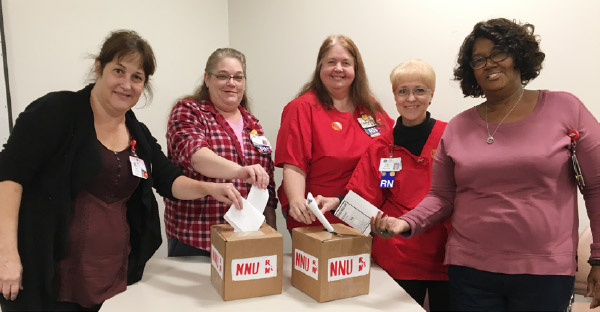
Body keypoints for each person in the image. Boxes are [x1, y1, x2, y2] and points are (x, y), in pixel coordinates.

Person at [0, 30, 243, 311]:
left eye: (137, 77)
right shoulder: (56, 111)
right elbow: (9, 176)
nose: (126, 84)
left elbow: (168, 180)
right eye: (119, 70)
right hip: (47, 274)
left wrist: (210, 188)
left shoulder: (136, 130)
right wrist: (6, 255)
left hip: (109, 276)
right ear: (98, 68)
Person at [371, 18, 600, 311]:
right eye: (479, 59)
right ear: (471, 71)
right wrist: (405, 223)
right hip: (470, 273)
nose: (489, 64)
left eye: (498, 53)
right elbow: (441, 196)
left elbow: (596, 187)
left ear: (519, 55)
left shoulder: (566, 109)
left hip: (544, 273)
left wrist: (599, 257)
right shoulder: (458, 127)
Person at [319, 59, 450, 310]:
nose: (411, 98)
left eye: (419, 90)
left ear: (431, 94)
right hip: (397, 255)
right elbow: (362, 194)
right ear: (395, 96)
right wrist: (335, 201)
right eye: (403, 91)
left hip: (444, 257)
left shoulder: (450, 138)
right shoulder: (380, 147)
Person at [164, 48, 277, 257]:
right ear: (207, 79)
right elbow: (197, 157)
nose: (231, 83)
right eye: (223, 76)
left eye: (238, 77)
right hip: (198, 240)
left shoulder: (253, 125)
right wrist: (241, 171)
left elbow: (267, 187)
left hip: (246, 239)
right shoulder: (189, 111)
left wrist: (270, 230)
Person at [275, 34, 394, 231]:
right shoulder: (302, 108)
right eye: (331, 62)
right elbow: (294, 164)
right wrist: (296, 200)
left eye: (345, 63)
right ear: (320, 67)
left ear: (355, 69)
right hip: (316, 216)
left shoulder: (370, 107)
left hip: (362, 216)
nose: (338, 68)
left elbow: (391, 153)